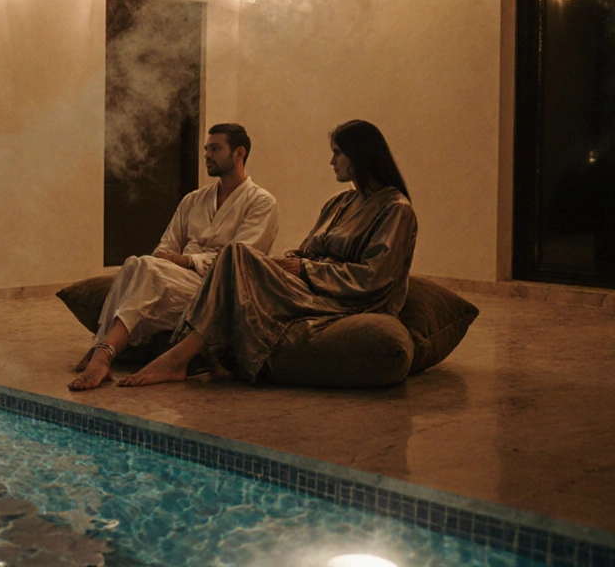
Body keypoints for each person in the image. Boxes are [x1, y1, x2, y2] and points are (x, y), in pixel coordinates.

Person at [117, 119, 417, 387]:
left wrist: (305, 270)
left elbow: (375, 276)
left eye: (337, 152)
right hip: (309, 282)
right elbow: (306, 251)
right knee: (238, 257)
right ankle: (182, 354)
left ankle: (178, 359)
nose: (331, 161)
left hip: (344, 296)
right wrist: (284, 263)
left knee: (235, 255)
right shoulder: (340, 203)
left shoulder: (395, 209)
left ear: (360, 155)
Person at [68, 123, 279, 391]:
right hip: (176, 280)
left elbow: (240, 262)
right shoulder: (194, 200)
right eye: (206, 149)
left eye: (215, 149)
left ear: (239, 153)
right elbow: (165, 248)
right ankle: (103, 349)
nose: (207, 155)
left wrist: (189, 261)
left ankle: (102, 353)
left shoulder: (262, 203)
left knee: (149, 268)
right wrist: (172, 262)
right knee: (136, 263)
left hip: (214, 292)